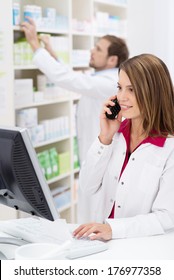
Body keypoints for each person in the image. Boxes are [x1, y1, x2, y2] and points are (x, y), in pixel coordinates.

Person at [73, 53, 174, 241]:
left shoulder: (169, 147)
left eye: (132, 90)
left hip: (138, 247)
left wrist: (113, 230)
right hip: (101, 243)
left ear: (154, 92)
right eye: (119, 88)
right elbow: (87, 187)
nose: (122, 97)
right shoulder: (115, 134)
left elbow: (167, 216)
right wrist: (105, 137)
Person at [21, 18, 129, 164]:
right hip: (95, 154)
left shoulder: (111, 83)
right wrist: (52, 53)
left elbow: (68, 79)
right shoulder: (104, 79)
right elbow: (73, 77)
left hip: (101, 157)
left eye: (98, 49)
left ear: (112, 60)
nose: (92, 51)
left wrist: (34, 44)